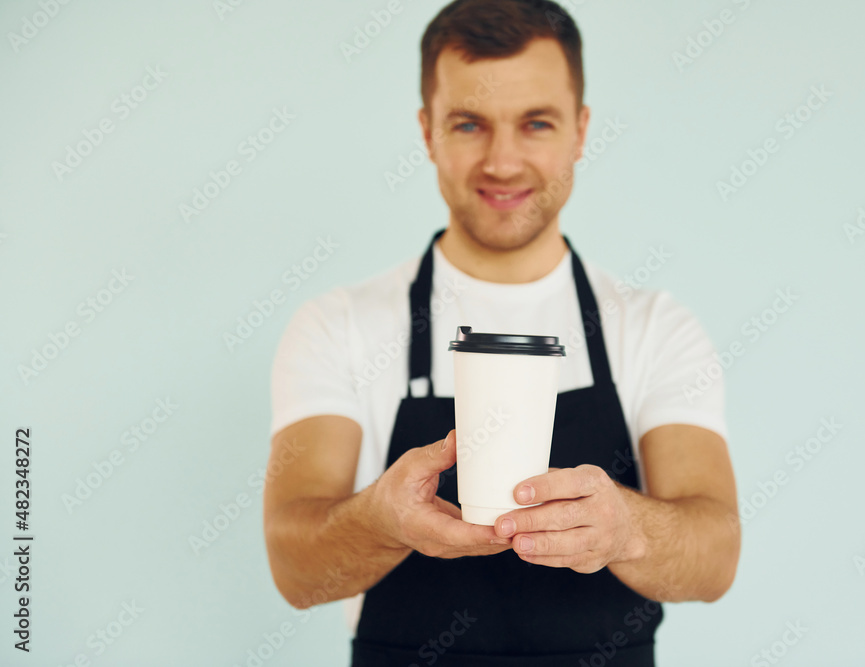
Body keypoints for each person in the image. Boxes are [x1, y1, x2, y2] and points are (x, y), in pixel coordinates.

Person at [264, 1, 740, 664]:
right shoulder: (337, 325)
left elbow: (715, 553)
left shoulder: (655, 328)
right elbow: (294, 566)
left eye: (536, 123)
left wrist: (626, 528)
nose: (503, 161)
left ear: (580, 130)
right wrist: (381, 520)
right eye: (469, 124)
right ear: (428, 132)